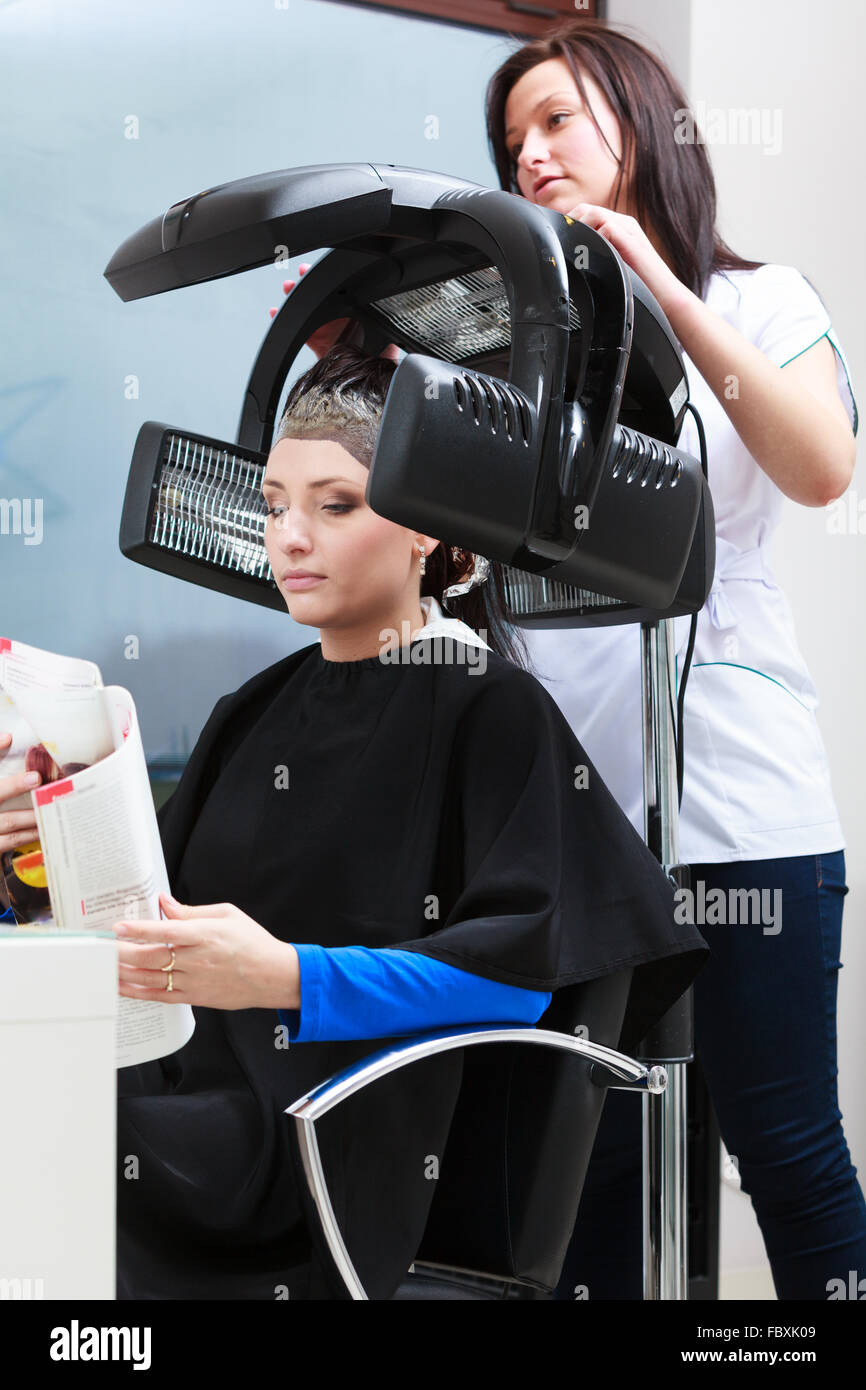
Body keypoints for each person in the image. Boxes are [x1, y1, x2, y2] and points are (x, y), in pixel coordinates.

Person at [271, 9, 864, 1307]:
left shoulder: (765, 300)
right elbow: (439, 557)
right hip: (570, 837)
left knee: (780, 1145)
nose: (527, 152)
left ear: (642, 125)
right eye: (509, 137)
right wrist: (361, 367)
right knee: (583, 1168)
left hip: (735, 812)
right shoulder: (499, 348)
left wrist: (655, 282)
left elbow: (819, 467)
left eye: (554, 120)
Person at [0, 344, 709, 1300]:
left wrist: (286, 977)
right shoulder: (250, 712)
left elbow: (517, 982)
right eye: (272, 506)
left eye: (335, 505)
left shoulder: (490, 711)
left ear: (427, 528)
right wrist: (41, 857)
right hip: (177, 1094)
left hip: (324, 1144)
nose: (290, 537)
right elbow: (144, 919)